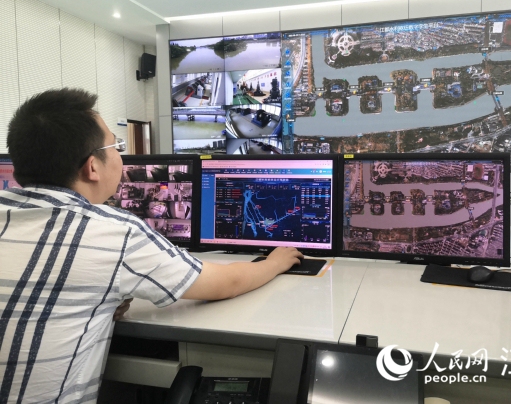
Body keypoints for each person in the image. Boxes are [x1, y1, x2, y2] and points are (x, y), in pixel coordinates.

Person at [0, 88, 302, 403]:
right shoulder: (114, 232)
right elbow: (227, 283)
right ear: (92, 167)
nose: (120, 154)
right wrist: (274, 262)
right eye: (116, 146)